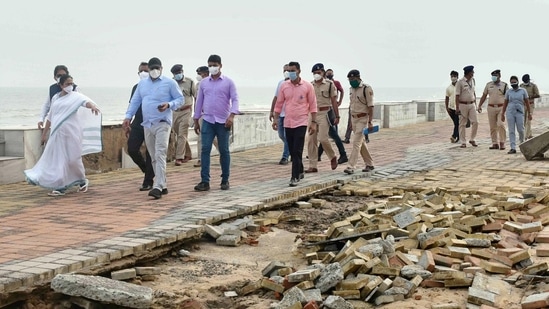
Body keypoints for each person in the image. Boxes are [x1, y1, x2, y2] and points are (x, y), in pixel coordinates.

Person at [25, 74, 101, 196]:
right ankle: (60, 186)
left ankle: (81, 180)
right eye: (67, 84)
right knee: (58, 160)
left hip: (72, 133)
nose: (70, 86)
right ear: (60, 85)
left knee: (73, 159)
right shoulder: (55, 98)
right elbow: (50, 116)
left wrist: (92, 106)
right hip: (57, 134)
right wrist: (44, 134)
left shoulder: (76, 96)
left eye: (71, 83)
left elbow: (85, 102)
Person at [123, 57, 184, 199]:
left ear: (161, 68)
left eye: (157, 68)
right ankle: (163, 185)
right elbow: (135, 101)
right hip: (147, 123)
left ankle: (157, 186)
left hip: (162, 122)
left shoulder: (170, 83)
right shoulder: (142, 85)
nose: (154, 71)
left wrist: (169, 105)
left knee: (160, 153)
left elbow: (180, 99)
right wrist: (128, 117)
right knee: (153, 155)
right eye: (152, 68)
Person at [193, 54, 240, 191]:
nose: (212, 67)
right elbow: (199, 101)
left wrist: (232, 116)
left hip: (223, 121)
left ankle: (225, 179)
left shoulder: (228, 82)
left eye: (215, 65)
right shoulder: (204, 83)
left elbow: (235, 99)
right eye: (210, 65)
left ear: (220, 65)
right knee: (205, 149)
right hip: (207, 119)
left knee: (224, 150)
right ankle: (204, 181)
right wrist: (196, 119)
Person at [272, 61, 317, 187]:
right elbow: (279, 104)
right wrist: (275, 119)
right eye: (289, 71)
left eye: (293, 70)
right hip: (288, 122)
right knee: (292, 150)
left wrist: (313, 122)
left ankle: (294, 176)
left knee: (297, 149)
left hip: (301, 122)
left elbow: (313, 105)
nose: (291, 73)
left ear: (299, 71)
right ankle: (300, 169)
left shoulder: (307, 86)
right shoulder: (284, 86)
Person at [124, 61, 155, 191]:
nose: (143, 73)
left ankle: (148, 181)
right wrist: (128, 119)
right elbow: (133, 104)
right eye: (141, 71)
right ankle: (147, 171)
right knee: (131, 149)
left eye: (146, 71)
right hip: (137, 122)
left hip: (152, 122)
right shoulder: (136, 87)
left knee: (150, 152)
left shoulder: (156, 86)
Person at [305, 63, 339, 173]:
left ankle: (332, 156)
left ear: (323, 73)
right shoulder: (310, 85)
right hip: (313, 113)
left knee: (323, 138)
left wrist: (337, 115)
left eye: (318, 73)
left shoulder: (329, 84)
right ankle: (313, 165)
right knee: (311, 140)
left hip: (325, 113)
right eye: (314, 73)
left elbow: (334, 101)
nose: (316, 75)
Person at [343, 70, 375, 175]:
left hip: (363, 118)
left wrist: (370, 122)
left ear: (358, 78)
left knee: (356, 143)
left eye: (353, 79)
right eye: (349, 80)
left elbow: (370, 106)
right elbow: (351, 105)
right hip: (354, 118)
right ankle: (369, 164)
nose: (351, 81)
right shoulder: (351, 89)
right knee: (361, 143)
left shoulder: (366, 88)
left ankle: (350, 166)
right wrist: (351, 122)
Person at [318, 68, 348, 164]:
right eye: (328, 74)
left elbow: (335, 98)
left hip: (329, 112)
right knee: (325, 134)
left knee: (332, 134)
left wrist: (337, 112)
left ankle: (343, 154)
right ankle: (317, 154)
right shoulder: (319, 84)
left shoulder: (332, 84)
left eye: (331, 74)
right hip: (322, 112)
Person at [170, 64, 197, 166]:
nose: (178, 75)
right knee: (179, 134)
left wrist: (196, 113)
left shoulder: (190, 82)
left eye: (179, 72)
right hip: (175, 112)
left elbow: (196, 97)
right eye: (176, 73)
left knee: (182, 134)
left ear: (182, 71)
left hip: (186, 111)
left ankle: (179, 157)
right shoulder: (171, 83)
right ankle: (188, 154)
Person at [193, 66, 218, 168]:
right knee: (201, 137)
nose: (201, 76)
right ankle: (200, 159)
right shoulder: (198, 85)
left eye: (203, 74)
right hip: (202, 115)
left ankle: (224, 154)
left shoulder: (215, 84)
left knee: (214, 137)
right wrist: (196, 115)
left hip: (213, 114)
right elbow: (196, 100)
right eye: (200, 74)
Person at [38, 65, 77, 130]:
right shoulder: (53, 90)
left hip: (70, 125)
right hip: (56, 124)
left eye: (63, 75)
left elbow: (82, 103)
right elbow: (47, 106)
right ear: (55, 77)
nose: (61, 77)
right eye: (59, 76)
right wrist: (41, 119)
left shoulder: (74, 89)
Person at [477, 69, 508, 150]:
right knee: (492, 126)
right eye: (493, 76)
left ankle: (502, 142)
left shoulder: (504, 85)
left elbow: (508, 97)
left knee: (500, 124)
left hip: (501, 107)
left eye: (496, 75)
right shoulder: (488, 85)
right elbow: (484, 95)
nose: (494, 77)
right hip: (491, 107)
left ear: (499, 76)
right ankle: (494, 143)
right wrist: (479, 105)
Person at [502, 76, 531, 154]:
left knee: (521, 129)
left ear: (518, 82)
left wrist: (529, 113)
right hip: (510, 112)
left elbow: (527, 102)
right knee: (511, 130)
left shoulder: (523, 91)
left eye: (514, 82)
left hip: (520, 112)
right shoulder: (509, 92)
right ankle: (513, 147)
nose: (513, 83)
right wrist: (502, 113)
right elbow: (505, 103)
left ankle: (522, 144)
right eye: (511, 82)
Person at [269, 64, 291, 165]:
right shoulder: (281, 83)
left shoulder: (294, 84)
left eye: (288, 70)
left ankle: (285, 156)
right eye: (284, 70)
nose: (286, 72)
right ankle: (291, 149)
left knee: (287, 135)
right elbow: (276, 98)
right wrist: (272, 111)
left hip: (290, 115)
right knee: (282, 135)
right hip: (280, 114)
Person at [455, 65, 478, 148]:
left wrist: (475, 103)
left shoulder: (473, 80)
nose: (473, 73)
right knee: (462, 123)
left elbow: (473, 92)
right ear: (468, 73)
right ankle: (463, 142)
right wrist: (457, 107)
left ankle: (472, 139)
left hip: (472, 104)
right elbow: (457, 95)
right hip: (463, 104)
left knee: (475, 122)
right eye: (472, 72)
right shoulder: (460, 82)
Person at [520, 74, 540, 139]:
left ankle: (525, 136)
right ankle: (529, 134)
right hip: (523, 105)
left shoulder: (533, 86)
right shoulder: (521, 86)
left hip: (530, 104)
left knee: (528, 120)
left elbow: (538, 95)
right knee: (523, 120)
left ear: (529, 80)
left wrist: (530, 97)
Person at [445, 70, 460, 144]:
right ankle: (459, 137)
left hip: (458, 108)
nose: (453, 78)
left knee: (457, 123)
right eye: (452, 76)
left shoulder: (460, 86)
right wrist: (447, 108)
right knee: (456, 123)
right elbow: (447, 98)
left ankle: (454, 136)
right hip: (451, 108)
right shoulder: (448, 88)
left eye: (454, 76)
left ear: (457, 77)